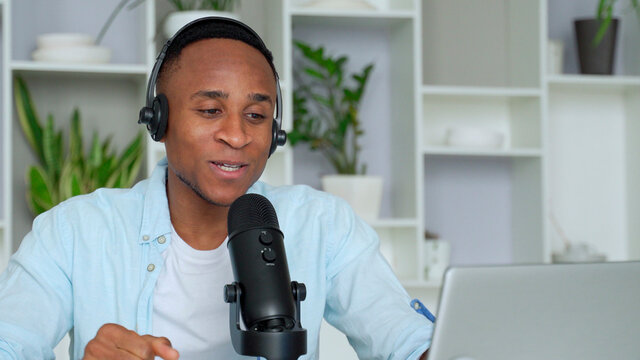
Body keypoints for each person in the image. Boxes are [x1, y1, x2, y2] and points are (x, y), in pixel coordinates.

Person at [0, 17, 433, 359]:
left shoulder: (322, 224)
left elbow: (406, 341)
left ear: (276, 132)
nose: (237, 135)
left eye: (256, 116)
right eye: (210, 110)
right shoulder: (74, 231)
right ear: (160, 121)